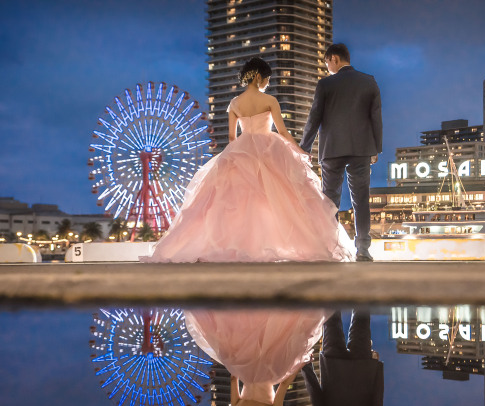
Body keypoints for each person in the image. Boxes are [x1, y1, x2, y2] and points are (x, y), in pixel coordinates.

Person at [140, 57, 353, 263]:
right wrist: (299, 151)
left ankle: (240, 245)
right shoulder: (269, 101)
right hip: (269, 148)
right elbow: (283, 132)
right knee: (281, 199)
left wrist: (235, 155)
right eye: (267, 79)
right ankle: (282, 243)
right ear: (259, 77)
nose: (268, 83)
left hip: (241, 150)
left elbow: (232, 138)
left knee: (238, 201)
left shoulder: (234, 103)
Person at [184, 308, 328, 406]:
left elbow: (284, 385)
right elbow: (233, 378)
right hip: (246, 368)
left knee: (279, 331)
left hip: (270, 369)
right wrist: (235, 363)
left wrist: (301, 363)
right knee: (251, 331)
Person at [300, 43, 382, 262]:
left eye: (327, 62)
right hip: (361, 148)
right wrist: (376, 148)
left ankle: (331, 248)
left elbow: (314, 117)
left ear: (334, 59)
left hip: (332, 149)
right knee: (361, 199)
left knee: (330, 201)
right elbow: (376, 117)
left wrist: (304, 147)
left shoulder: (326, 84)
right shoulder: (369, 81)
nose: (327, 67)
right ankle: (363, 249)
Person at [301, 310, 383, 406]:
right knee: (331, 321)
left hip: (362, 366)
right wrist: (306, 367)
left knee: (361, 320)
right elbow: (316, 398)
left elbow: (378, 398)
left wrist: (377, 367)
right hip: (334, 367)